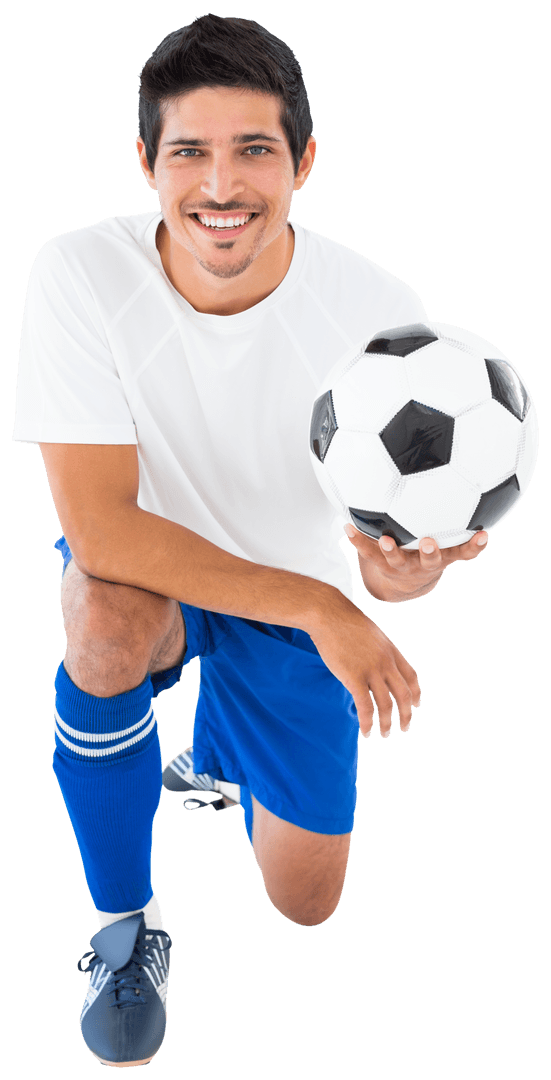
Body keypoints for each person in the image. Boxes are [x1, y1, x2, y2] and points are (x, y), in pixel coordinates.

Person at [12, 14, 489, 1069]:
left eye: (253, 150)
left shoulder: (378, 313)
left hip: (291, 593)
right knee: (99, 614)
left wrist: (391, 577)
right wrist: (326, 609)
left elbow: (383, 568)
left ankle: (218, 751)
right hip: (161, 580)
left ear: (304, 162)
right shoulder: (78, 275)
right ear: (146, 161)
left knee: (303, 904)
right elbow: (98, 527)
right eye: (188, 150)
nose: (219, 186)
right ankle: (126, 927)